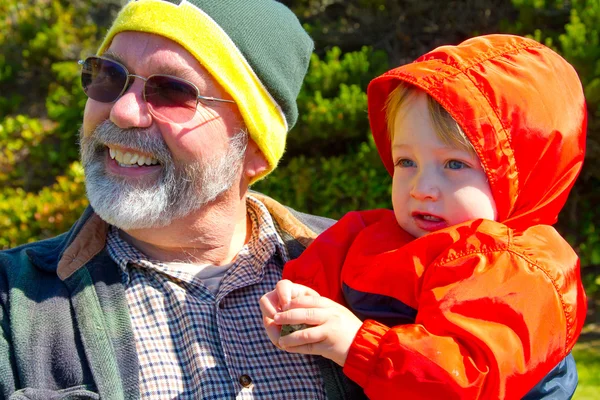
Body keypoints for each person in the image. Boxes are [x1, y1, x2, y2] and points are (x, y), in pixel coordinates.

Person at [0, 0, 366, 398]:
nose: (122, 111)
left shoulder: (374, 270)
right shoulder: (11, 304)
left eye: (172, 91)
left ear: (256, 149)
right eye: (108, 75)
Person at [260, 34, 588, 399]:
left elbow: (466, 378)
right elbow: (321, 268)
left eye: (454, 164)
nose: (422, 187)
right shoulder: (373, 234)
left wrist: (358, 345)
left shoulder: (518, 269)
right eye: (406, 162)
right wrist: (296, 300)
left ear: (523, 174)